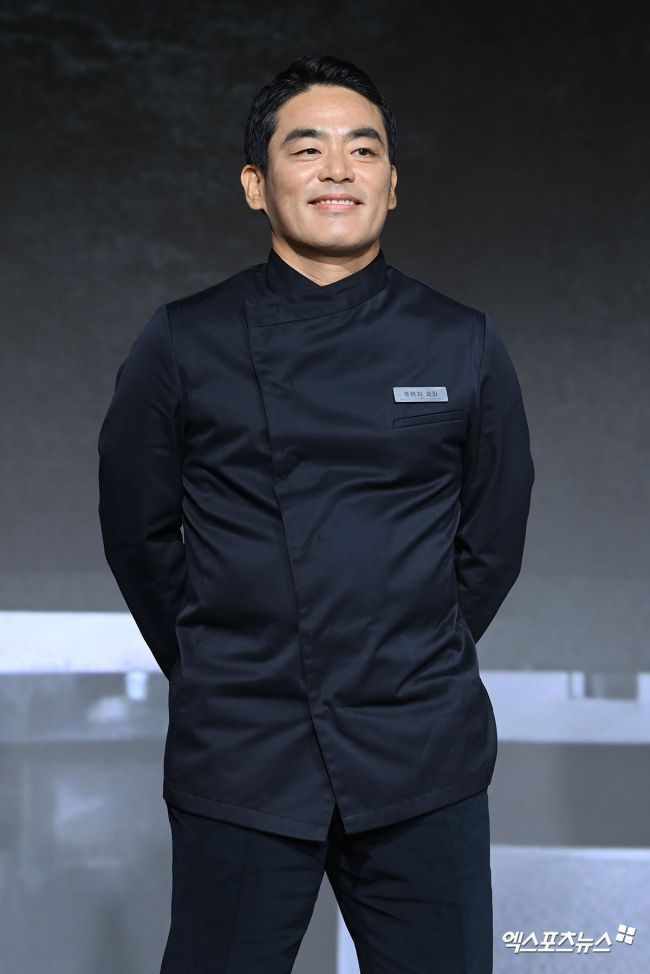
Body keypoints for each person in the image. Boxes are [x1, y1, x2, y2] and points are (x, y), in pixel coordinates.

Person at [98, 53, 535, 974]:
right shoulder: (186, 339)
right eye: (307, 149)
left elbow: (493, 538)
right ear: (256, 185)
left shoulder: (462, 340)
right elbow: (138, 534)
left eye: (363, 150)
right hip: (244, 751)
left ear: (393, 183)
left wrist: (411, 651)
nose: (339, 169)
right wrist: (223, 663)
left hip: (422, 753)